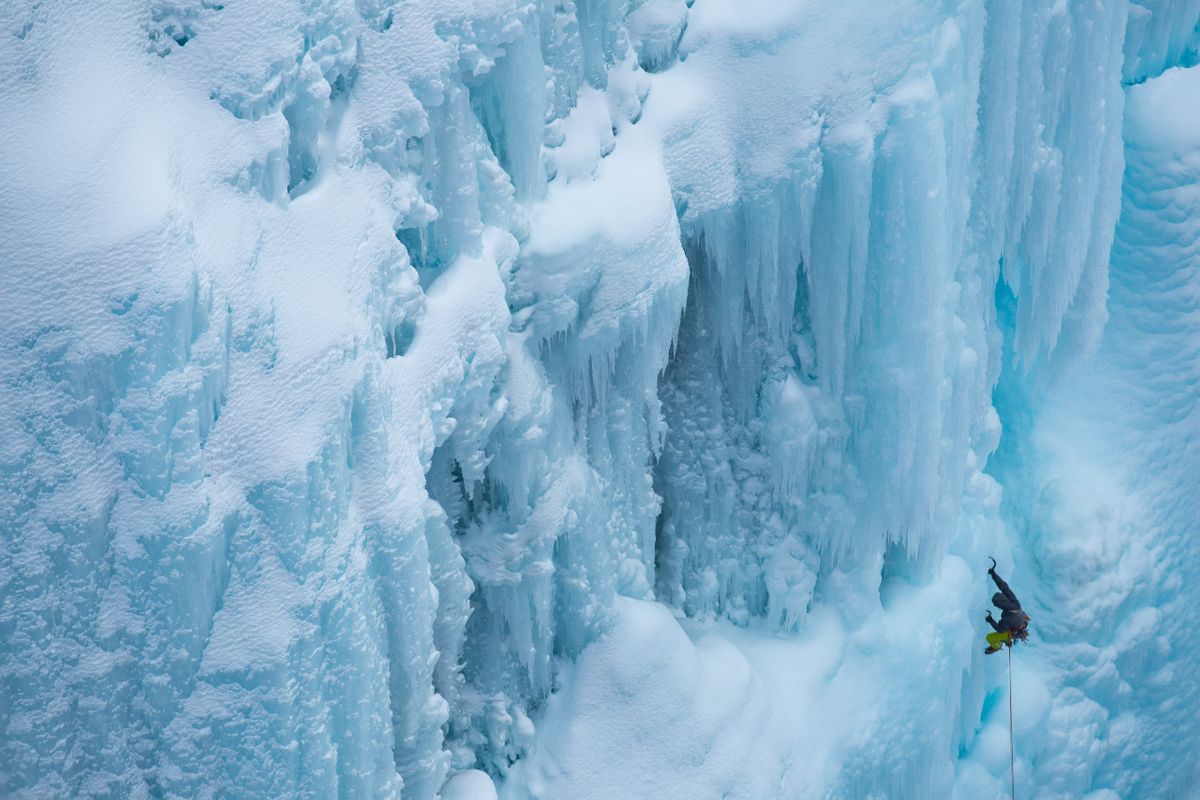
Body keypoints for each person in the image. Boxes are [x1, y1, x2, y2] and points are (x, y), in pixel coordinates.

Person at [985, 557, 1030, 654]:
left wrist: (990, 620)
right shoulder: (1015, 603)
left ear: (1000, 605)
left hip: (1013, 631)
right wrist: (993, 574)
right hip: (1019, 622)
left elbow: (1000, 630)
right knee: (1009, 628)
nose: (997, 606)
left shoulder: (1007, 619)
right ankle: (1007, 639)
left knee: (989, 637)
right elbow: (1004, 586)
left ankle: (997, 646)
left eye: (996, 605)